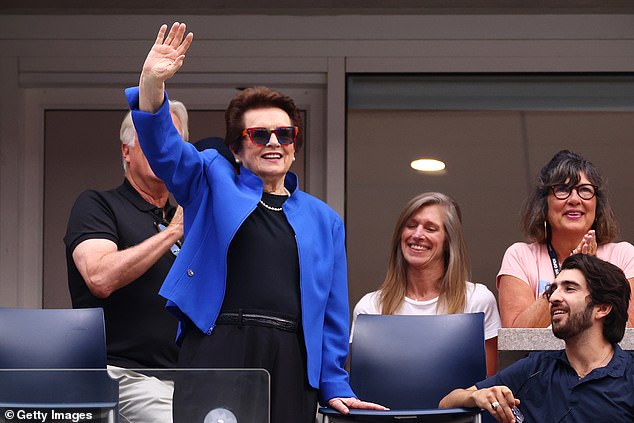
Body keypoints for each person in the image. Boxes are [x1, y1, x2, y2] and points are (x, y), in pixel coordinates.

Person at [124, 22, 386, 422]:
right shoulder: (211, 177)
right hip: (220, 347)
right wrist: (151, 85)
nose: (274, 142)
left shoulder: (324, 220)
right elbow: (166, 151)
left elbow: (332, 314)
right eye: (259, 134)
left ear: (295, 145)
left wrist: (334, 383)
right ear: (236, 147)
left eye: (285, 133)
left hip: (290, 361)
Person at [64, 101, 189, 423]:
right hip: (124, 375)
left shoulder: (188, 217)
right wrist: (172, 232)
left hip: (193, 379)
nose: (162, 147)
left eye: (172, 139)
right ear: (126, 151)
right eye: (151, 136)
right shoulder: (98, 204)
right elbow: (99, 277)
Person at [440, 254, 634, 422]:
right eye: (553, 289)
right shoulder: (535, 367)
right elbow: (446, 403)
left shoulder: (629, 375)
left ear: (602, 308)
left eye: (570, 288)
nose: (554, 298)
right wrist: (477, 396)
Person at [353, 192, 501, 375]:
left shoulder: (477, 300)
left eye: (430, 229)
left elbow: (486, 385)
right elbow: (365, 386)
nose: (417, 234)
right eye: (411, 225)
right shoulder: (371, 307)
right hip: (391, 405)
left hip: (460, 405)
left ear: (448, 241)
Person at [497, 150, 634, 328]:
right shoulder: (520, 256)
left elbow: (629, 329)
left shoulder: (625, 255)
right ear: (544, 204)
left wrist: (593, 273)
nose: (575, 199)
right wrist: (569, 272)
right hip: (541, 357)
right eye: (562, 189)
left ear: (597, 205)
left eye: (584, 190)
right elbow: (515, 335)